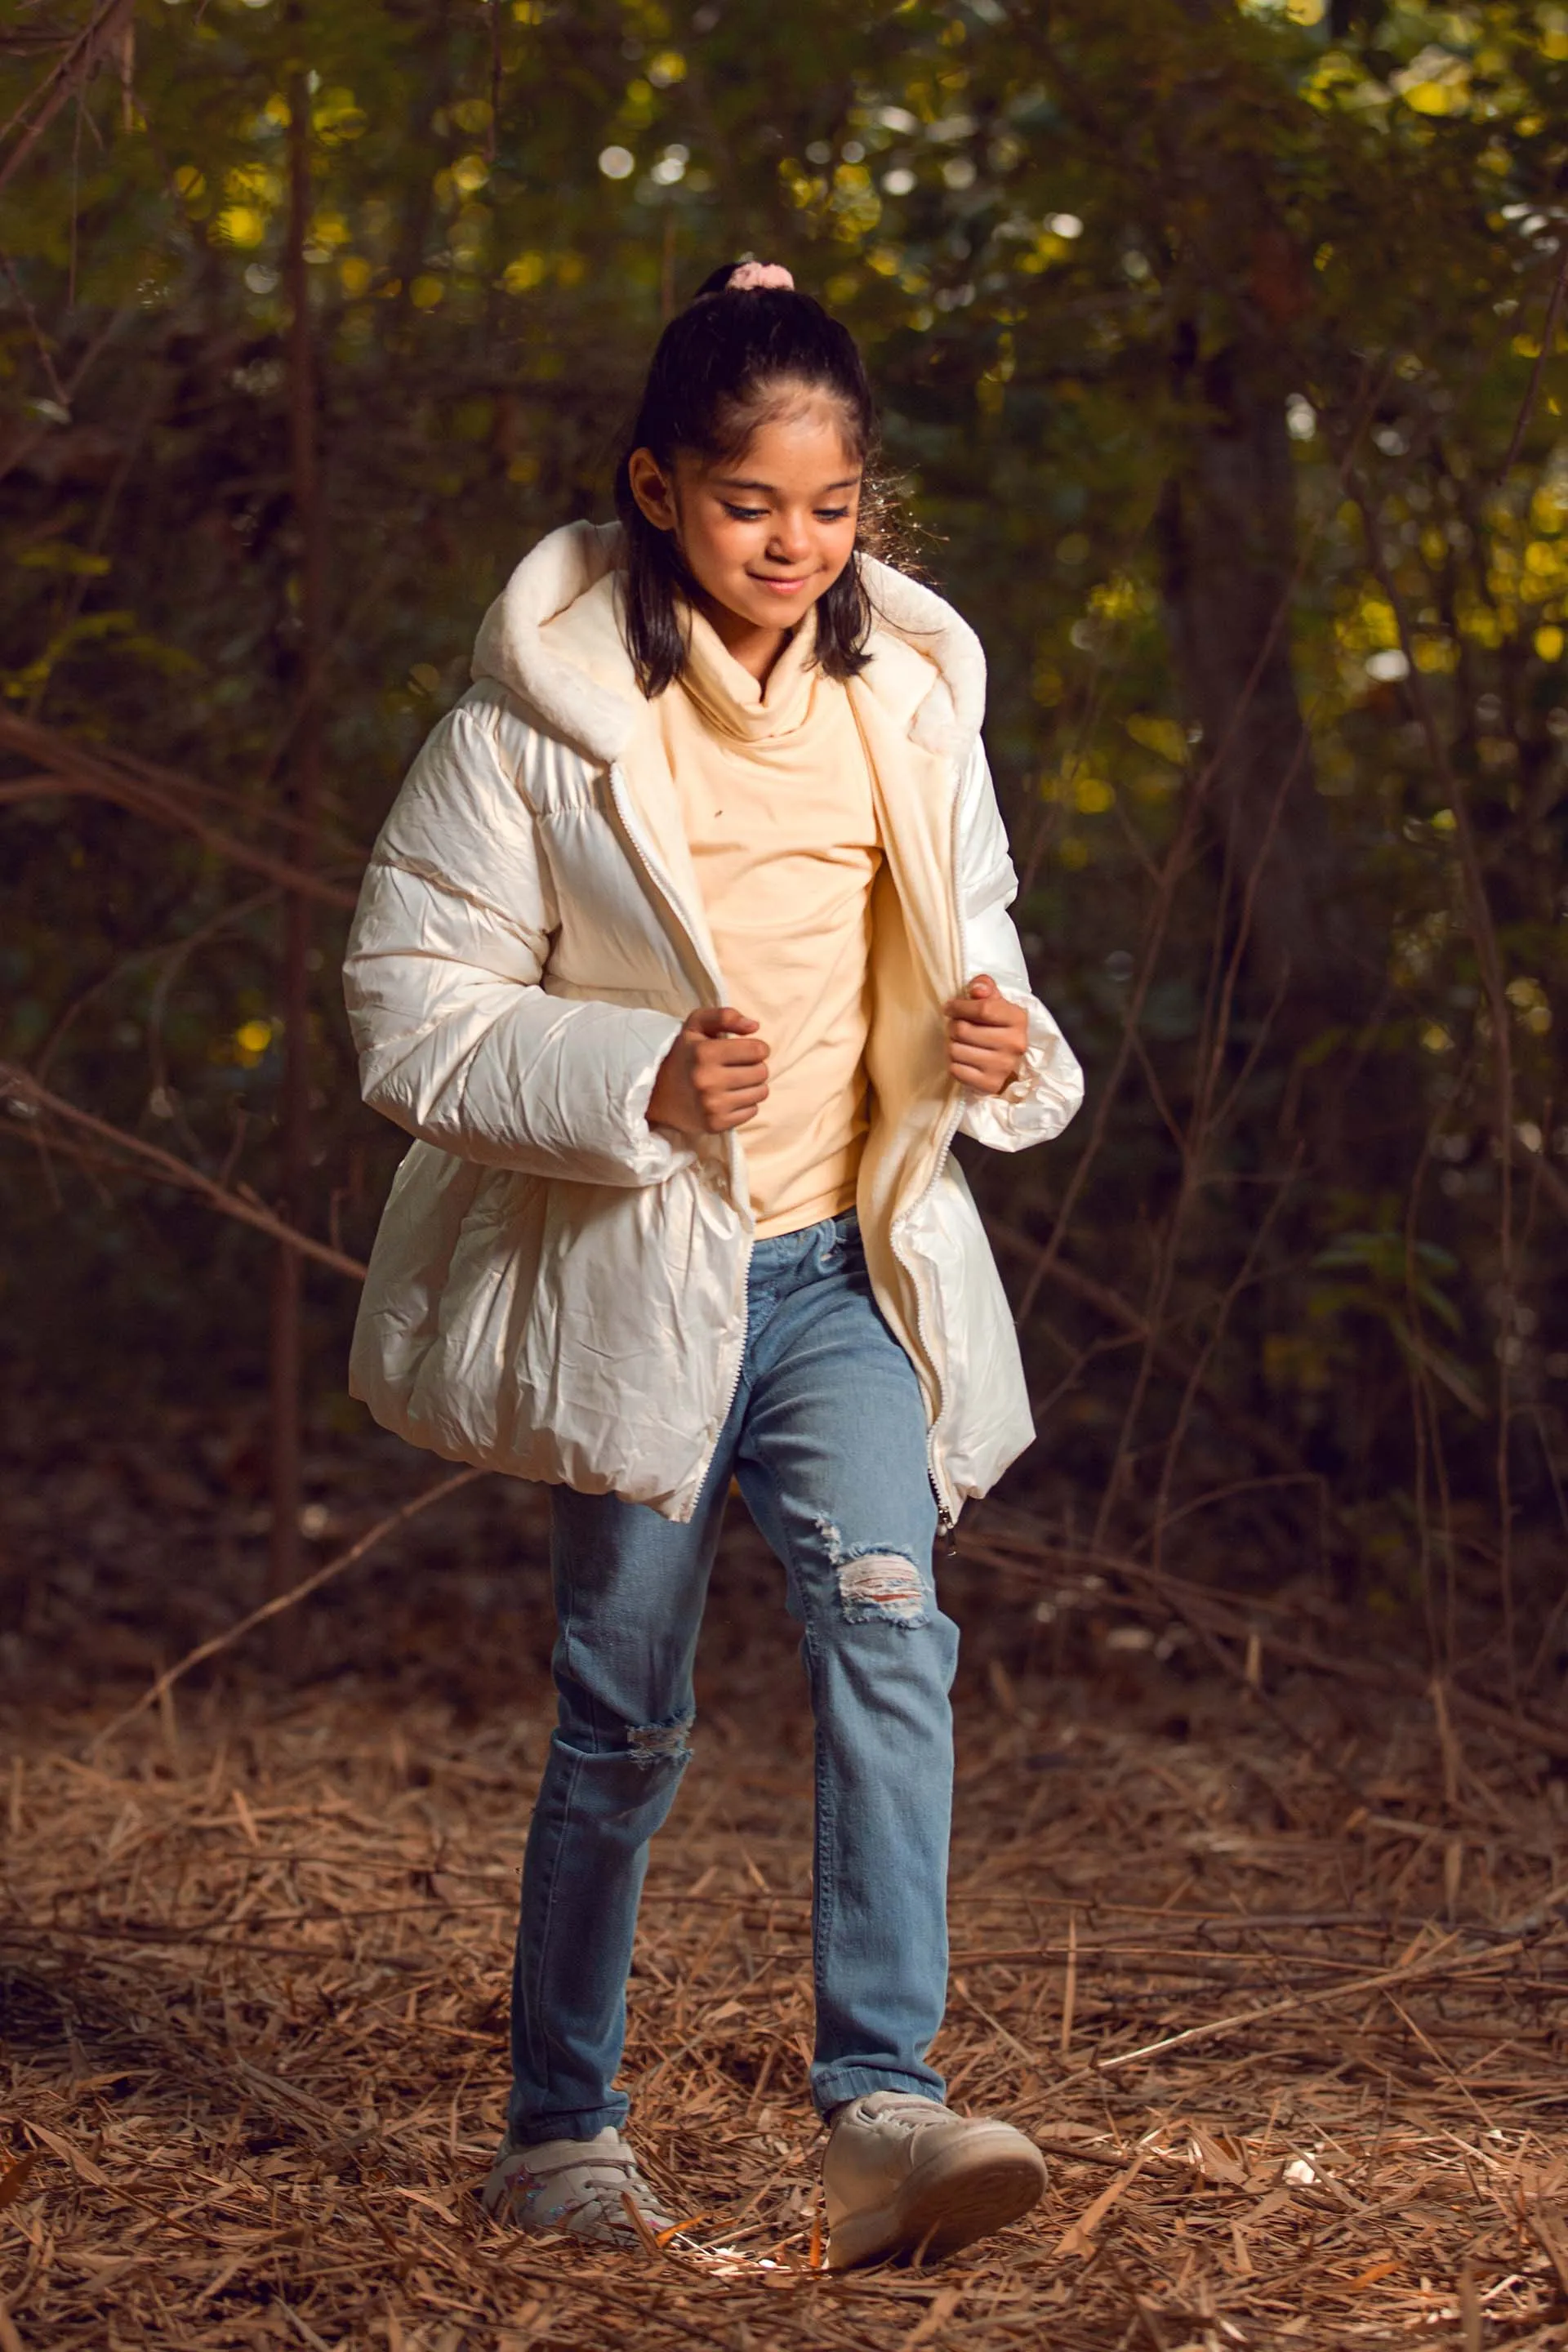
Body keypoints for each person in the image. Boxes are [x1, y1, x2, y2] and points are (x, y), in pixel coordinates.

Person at [342, 259, 1083, 2269]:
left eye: (831, 509)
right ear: (657, 488)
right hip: (644, 1286)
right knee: (624, 1710)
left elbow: (984, 953)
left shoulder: (908, 707)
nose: (796, 545)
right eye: (754, 502)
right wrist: (641, 1074)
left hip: (845, 1278)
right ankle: (560, 2129)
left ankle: (885, 2112)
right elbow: (406, 1006)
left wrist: (1007, 1042)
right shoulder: (541, 725)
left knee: (888, 1627)